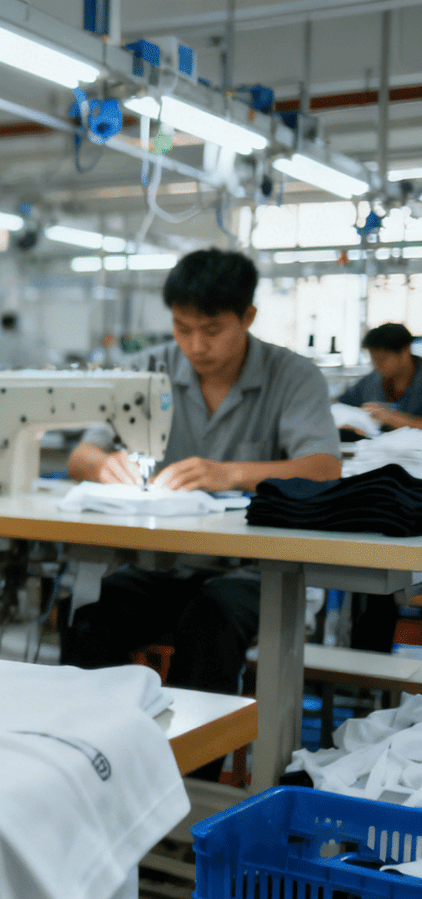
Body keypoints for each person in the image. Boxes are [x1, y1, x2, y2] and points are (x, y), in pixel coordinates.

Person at [63, 248, 340, 772]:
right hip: (177, 566)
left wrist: (229, 472)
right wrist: (106, 464)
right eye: (182, 327)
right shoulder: (152, 369)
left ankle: (192, 784)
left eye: (211, 329)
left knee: (209, 622)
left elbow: (324, 468)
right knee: (94, 620)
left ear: (248, 317)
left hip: (265, 574)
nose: (195, 345)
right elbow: (82, 452)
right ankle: (87, 766)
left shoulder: (291, 376)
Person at [337, 323, 422, 432]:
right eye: (374, 359)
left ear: (405, 351)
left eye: (383, 359)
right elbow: (340, 405)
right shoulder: (372, 381)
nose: (377, 364)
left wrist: (392, 417)